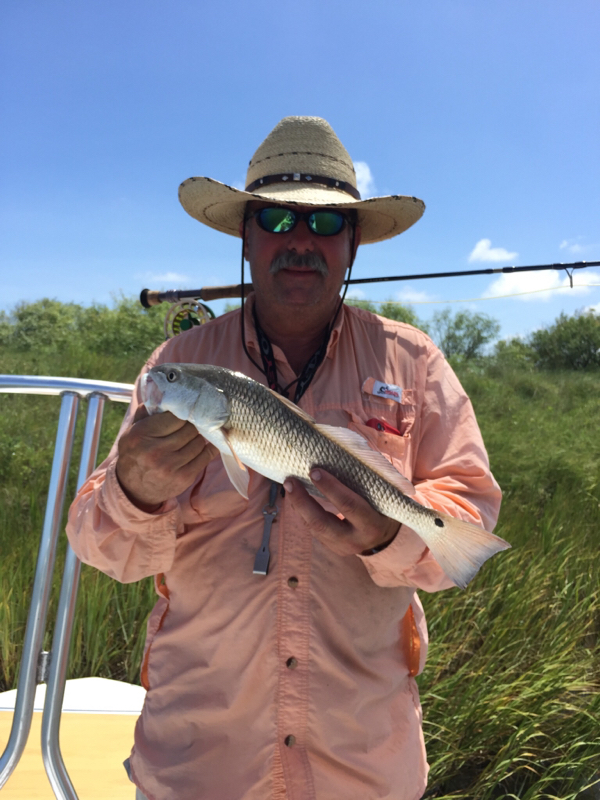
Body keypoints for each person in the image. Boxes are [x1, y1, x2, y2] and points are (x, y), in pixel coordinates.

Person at [67, 116, 502, 800]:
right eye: (275, 219)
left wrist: (388, 535)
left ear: (352, 243)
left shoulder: (413, 361)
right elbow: (102, 549)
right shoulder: (180, 364)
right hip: (198, 764)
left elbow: (468, 509)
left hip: (361, 765)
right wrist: (135, 487)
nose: (301, 240)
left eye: (326, 224)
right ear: (246, 236)